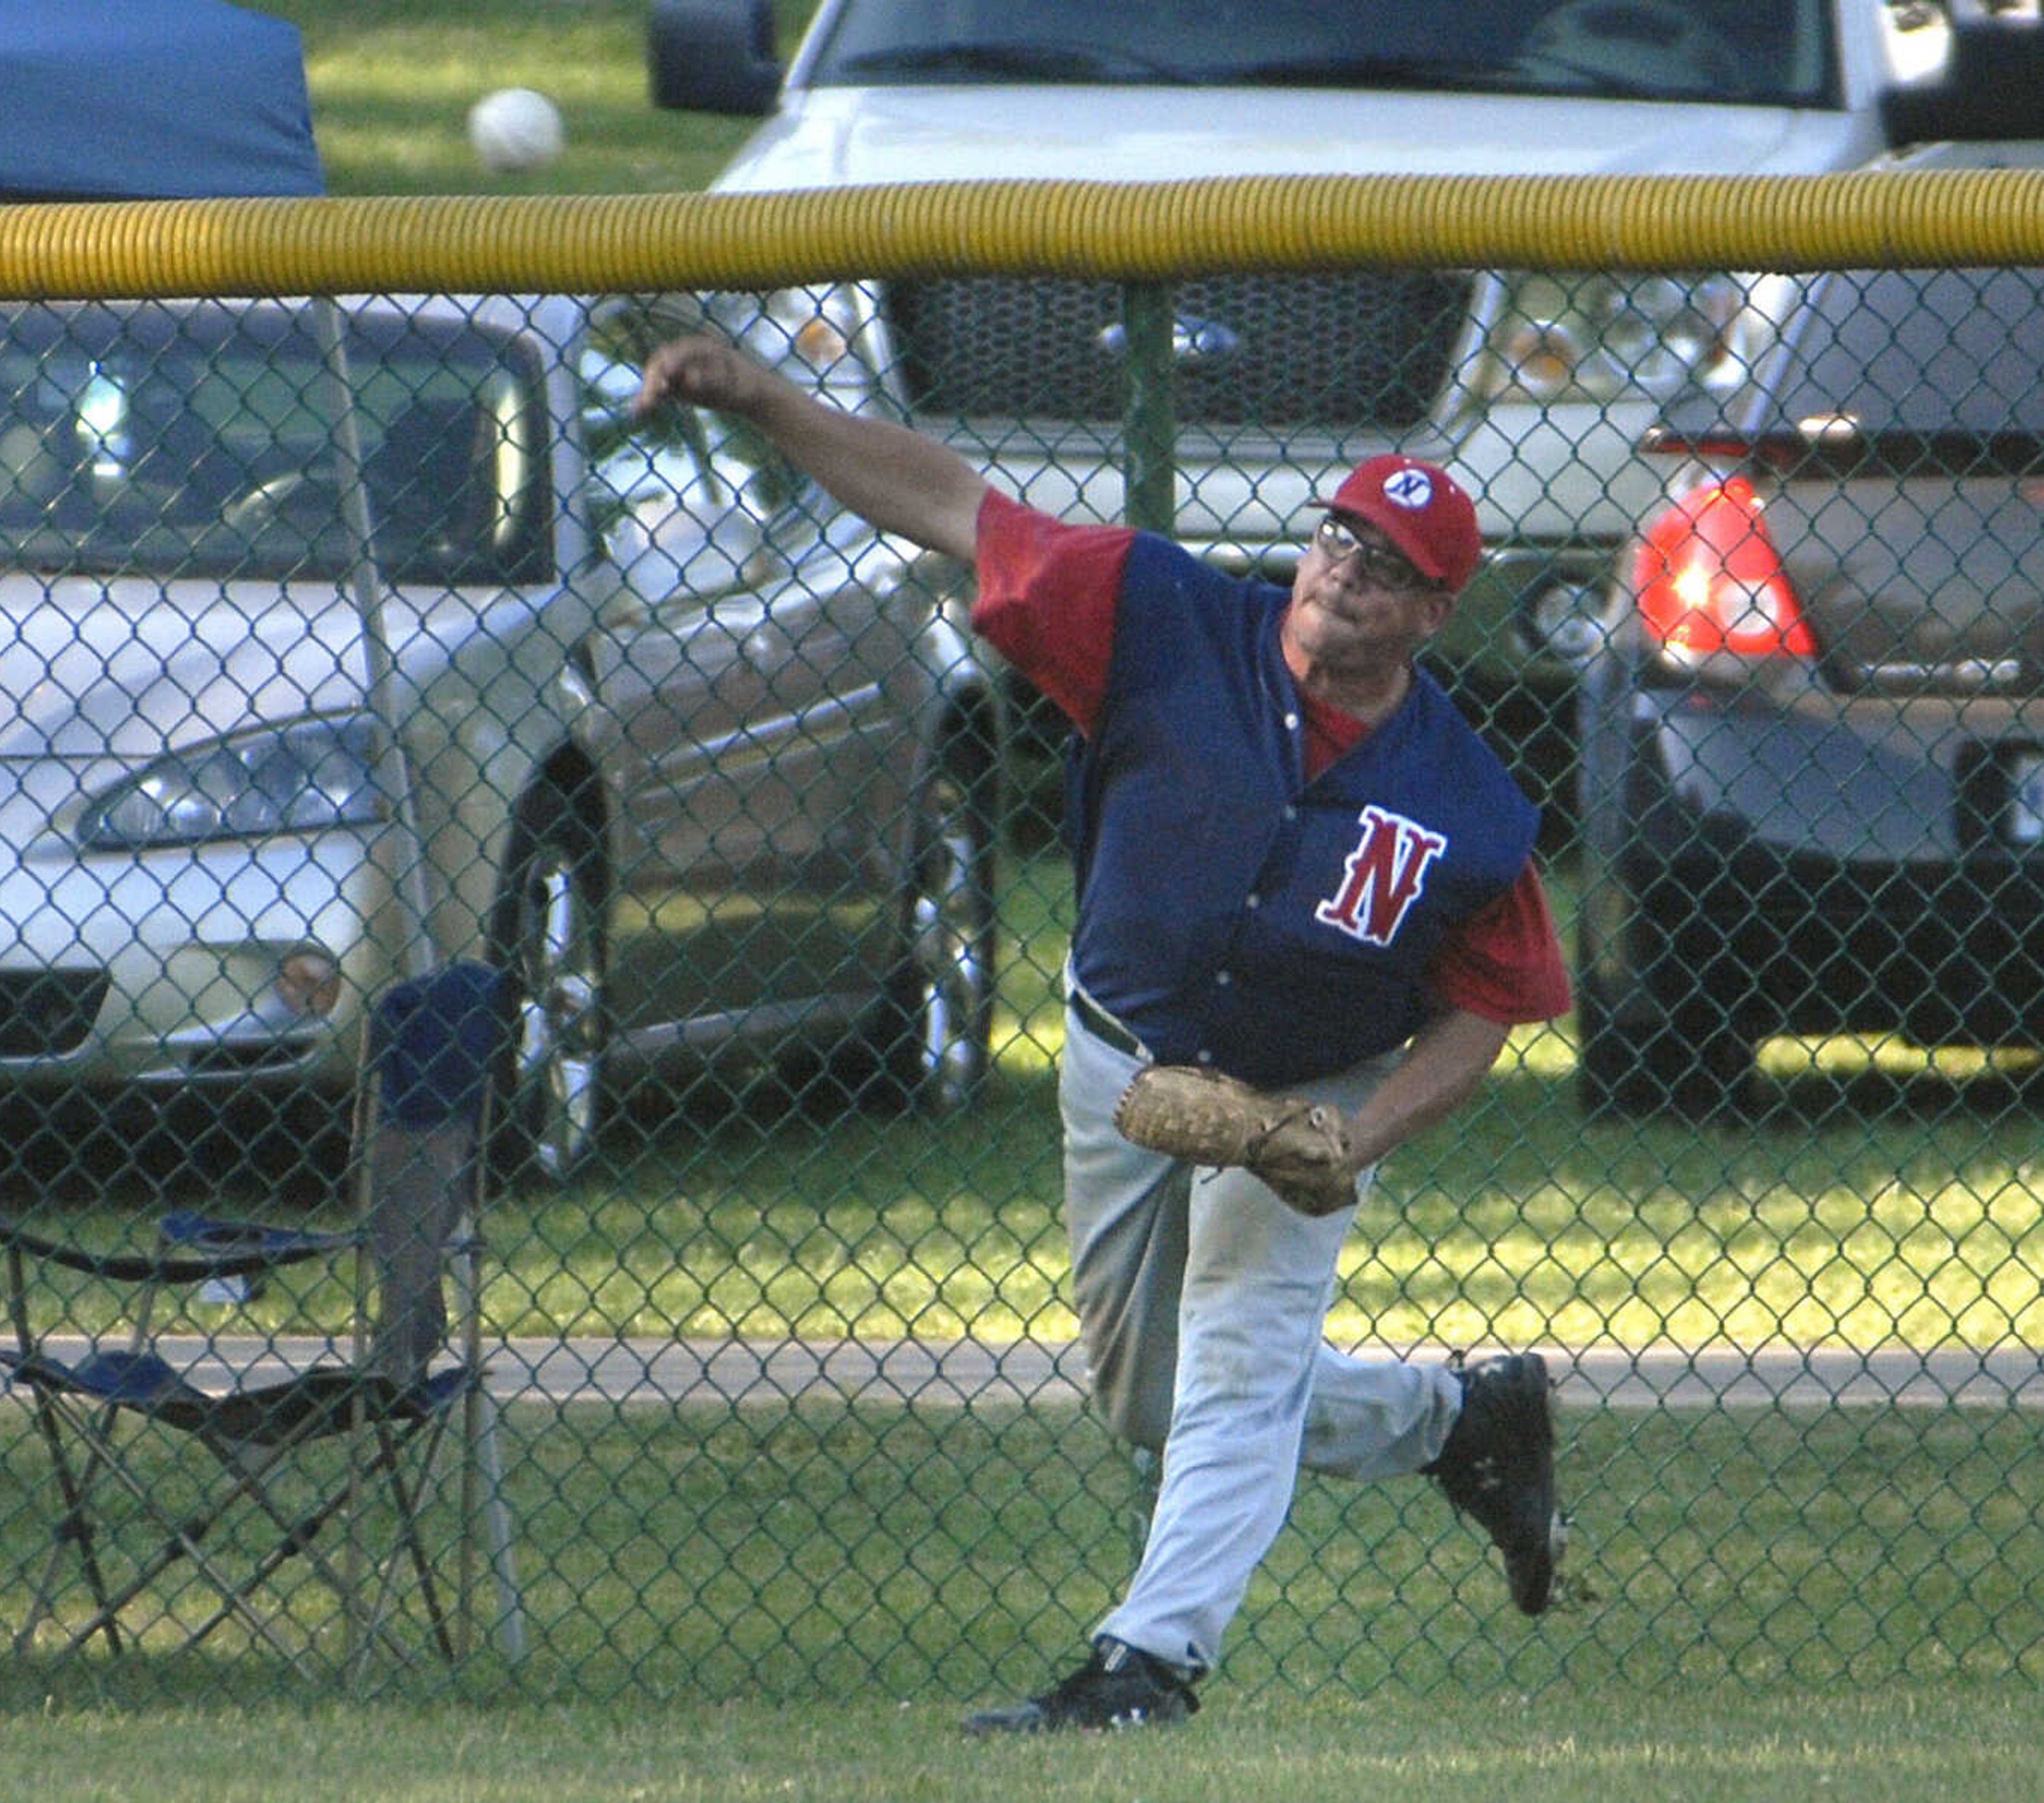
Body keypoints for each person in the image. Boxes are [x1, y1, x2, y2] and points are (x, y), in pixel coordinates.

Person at [635, 332, 1573, 1732]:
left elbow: (1491, 1009)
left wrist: (1358, 1138)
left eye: (1386, 570)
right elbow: (955, 507)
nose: (1344, 574)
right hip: (1117, 1052)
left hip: (1305, 1089)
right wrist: (767, 400)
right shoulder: (1160, 618)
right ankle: (1459, 1419)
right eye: (1339, 538)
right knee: (1155, 1398)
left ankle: (1147, 1669)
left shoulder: (1468, 804)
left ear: (1435, 616)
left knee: (1244, 1364)